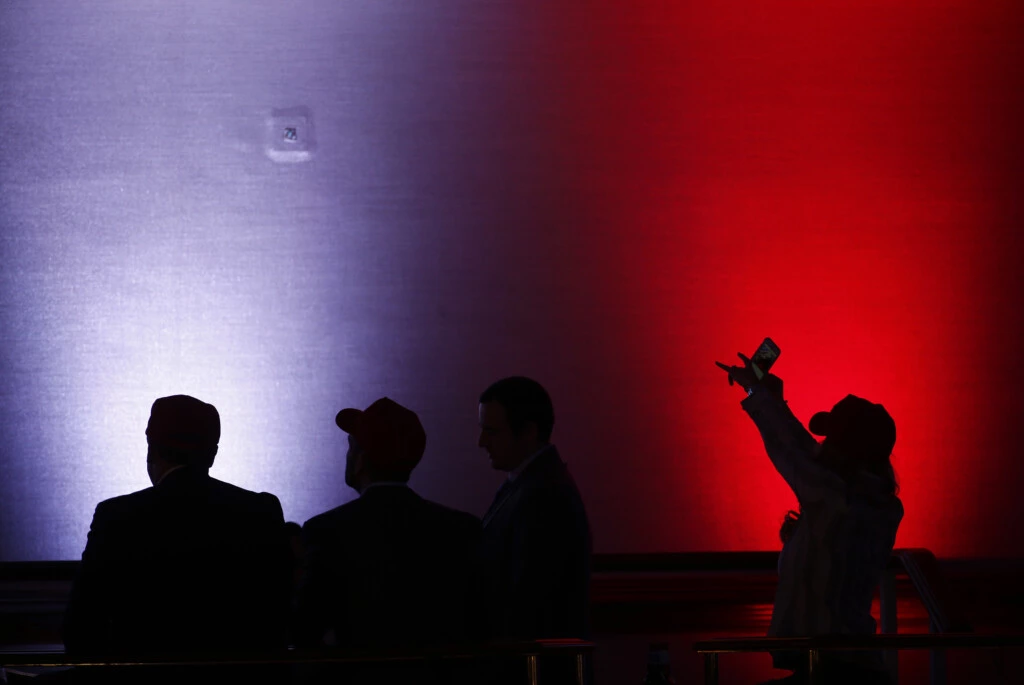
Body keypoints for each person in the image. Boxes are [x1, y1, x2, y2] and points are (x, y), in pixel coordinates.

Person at [63, 394, 292, 682]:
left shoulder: (116, 516)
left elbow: (80, 628)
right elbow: (279, 619)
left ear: (152, 449)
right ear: (212, 453)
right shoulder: (261, 510)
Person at [715, 354, 903, 685]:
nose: (821, 444)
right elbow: (801, 449)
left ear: (844, 449)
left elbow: (792, 450)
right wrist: (768, 397)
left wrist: (759, 395)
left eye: (830, 439)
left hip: (831, 668)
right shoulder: (876, 505)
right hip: (851, 664)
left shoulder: (835, 498)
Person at [294, 397, 481, 653]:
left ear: (361, 460)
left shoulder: (326, 530)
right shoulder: (461, 529)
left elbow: (304, 628)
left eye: (351, 447)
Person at [475, 376, 592, 641]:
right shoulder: (534, 485)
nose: (481, 442)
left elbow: (528, 601)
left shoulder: (543, 495)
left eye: (492, 431)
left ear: (529, 431)